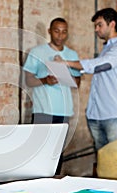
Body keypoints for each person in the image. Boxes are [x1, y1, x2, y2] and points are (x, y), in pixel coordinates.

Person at [62, 8, 117, 150]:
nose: (96, 29)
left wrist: (67, 63)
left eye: (99, 25)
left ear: (112, 24)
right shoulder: (106, 49)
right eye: (95, 26)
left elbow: (102, 65)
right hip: (96, 115)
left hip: (113, 115)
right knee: (103, 163)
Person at [23, 17, 81, 174]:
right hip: (43, 110)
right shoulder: (37, 52)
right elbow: (28, 80)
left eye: (64, 32)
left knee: (57, 154)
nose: (60, 36)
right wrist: (45, 80)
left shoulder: (72, 54)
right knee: (39, 152)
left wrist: (65, 75)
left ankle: (53, 188)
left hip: (64, 111)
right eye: (56, 31)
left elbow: (77, 83)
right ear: (49, 31)